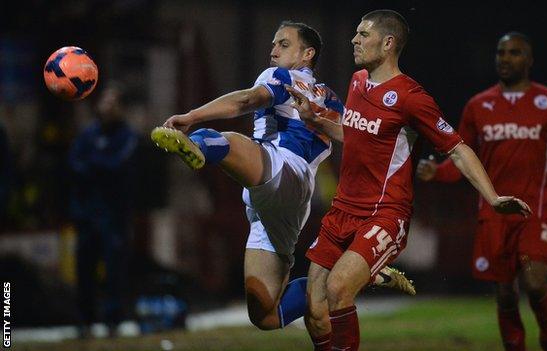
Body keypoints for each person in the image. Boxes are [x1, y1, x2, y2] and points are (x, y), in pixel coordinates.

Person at [286, 10, 531, 351]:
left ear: (387, 43)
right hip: (343, 209)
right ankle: (373, 276)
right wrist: (314, 119)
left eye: (363, 34)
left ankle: (371, 271)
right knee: (314, 308)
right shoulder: (358, 81)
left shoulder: (411, 97)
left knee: (338, 290)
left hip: (385, 213)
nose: (354, 39)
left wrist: (492, 197)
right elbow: (354, 134)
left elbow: (457, 149)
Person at [151, 21, 414, 332]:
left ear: (307, 54)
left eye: (283, 44)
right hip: (287, 200)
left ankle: (199, 145)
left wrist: (191, 116)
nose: (273, 50)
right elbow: (358, 137)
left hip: (281, 169)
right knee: (266, 315)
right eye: (274, 44)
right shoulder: (331, 98)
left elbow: (246, 101)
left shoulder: (282, 77)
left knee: (224, 139)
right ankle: (365, 273)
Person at [416, 32, 547, 351]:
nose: (505, 59)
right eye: (500, 53)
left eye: (514, 53)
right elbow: (463, 155)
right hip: (494, 210)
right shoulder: (478, 105)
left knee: (535, 282)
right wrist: (437, 172)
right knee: (505, 293)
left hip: (535, 209)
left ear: (529, 60)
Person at [68, 82, 138, 336]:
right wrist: (100, 166)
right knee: (84, 269)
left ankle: (113, 322)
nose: (106, 106)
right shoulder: (88, 134)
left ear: (121, 108)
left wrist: (94, 165)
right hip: (87, 214)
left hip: (114, 216)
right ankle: (85, 322)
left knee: (113, 270)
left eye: (112, 102)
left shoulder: (127, 136)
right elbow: (74, 165)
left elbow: (116, 167)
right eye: (104, 101)